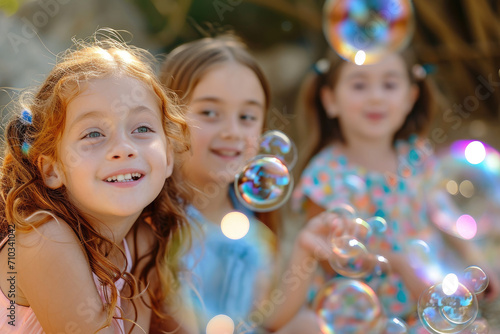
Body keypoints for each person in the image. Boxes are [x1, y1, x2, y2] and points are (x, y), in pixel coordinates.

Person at [292, 50, 500, 329]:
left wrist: (475, 260)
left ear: (410, 98)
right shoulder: (324, 175)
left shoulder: (415, 156)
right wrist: (401, 264)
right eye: (359, 85)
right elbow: (330, 257)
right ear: (330, 100)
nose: (376, 96)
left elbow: (442, 212)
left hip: (428, 304)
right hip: (356, 314)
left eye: (389, 85)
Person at [0, 30, 191, 333]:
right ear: (52, 169)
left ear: (167, 156)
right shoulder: (44, 237)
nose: (124, 148)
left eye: (142, 128)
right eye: (93, 134)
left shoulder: (143, 242)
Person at [154, 35, 343, 334]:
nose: (232, 131)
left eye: (247, 117)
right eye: (210, 113)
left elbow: (263, 320)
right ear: (167, 119)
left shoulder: (248, 217)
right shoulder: (155, 218)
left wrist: (304, 252)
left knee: (308, 325)